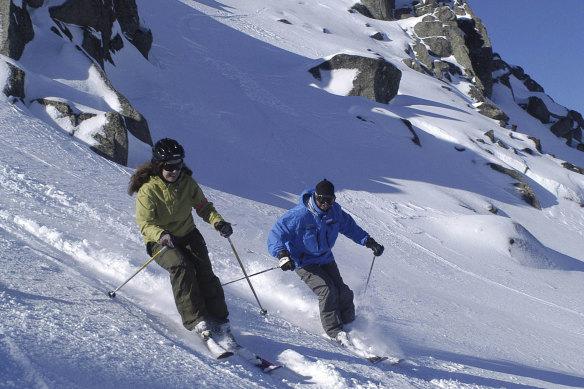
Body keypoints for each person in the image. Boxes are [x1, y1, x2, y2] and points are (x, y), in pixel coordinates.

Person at [128, 138, 234, 341]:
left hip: (188, 234)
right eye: (169, 167)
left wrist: (219, 223)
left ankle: (220, 319)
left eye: (178, 165)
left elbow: (203, 207)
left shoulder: (187, 183)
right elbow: (145, 223)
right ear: (159, 165)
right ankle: (196, 320)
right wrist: (162, 235)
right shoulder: (148, 191)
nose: (174, 171)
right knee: (182, 267)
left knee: (205, 272)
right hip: (160, 240)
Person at [267, 179, 384, 345]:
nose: (325, 204)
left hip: (325, 257)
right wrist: (282, 255)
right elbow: (276, 234)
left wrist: (368, 241)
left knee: (343, 291)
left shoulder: (334, 212)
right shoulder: (299, 215)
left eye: (330, 200)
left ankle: (350, 325)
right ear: (315, 197)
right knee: (327, 291)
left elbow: (350, 227)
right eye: (322, 199)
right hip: (303, 261)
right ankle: (335, 332)